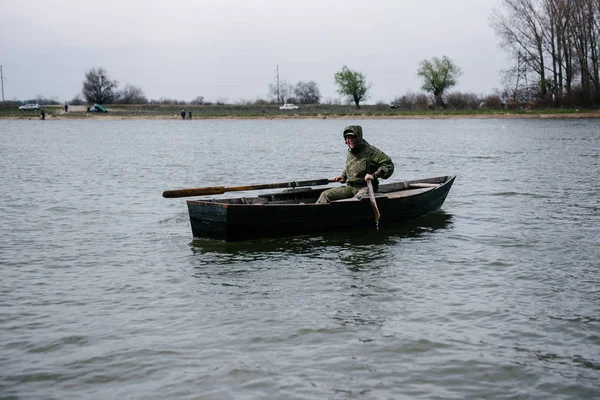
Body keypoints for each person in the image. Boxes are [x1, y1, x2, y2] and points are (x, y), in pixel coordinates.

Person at [316, 125, 394, 204]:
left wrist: (374, 175)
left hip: (366, 188)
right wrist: (343, 176)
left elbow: (388, 165)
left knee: (354, 201)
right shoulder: (351, 151)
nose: (350, 140)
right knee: (325, 195)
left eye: (353, 137)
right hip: (351, 187)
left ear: (358, 137)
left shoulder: (371, 151)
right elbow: (352, 165)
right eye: (348, 138)